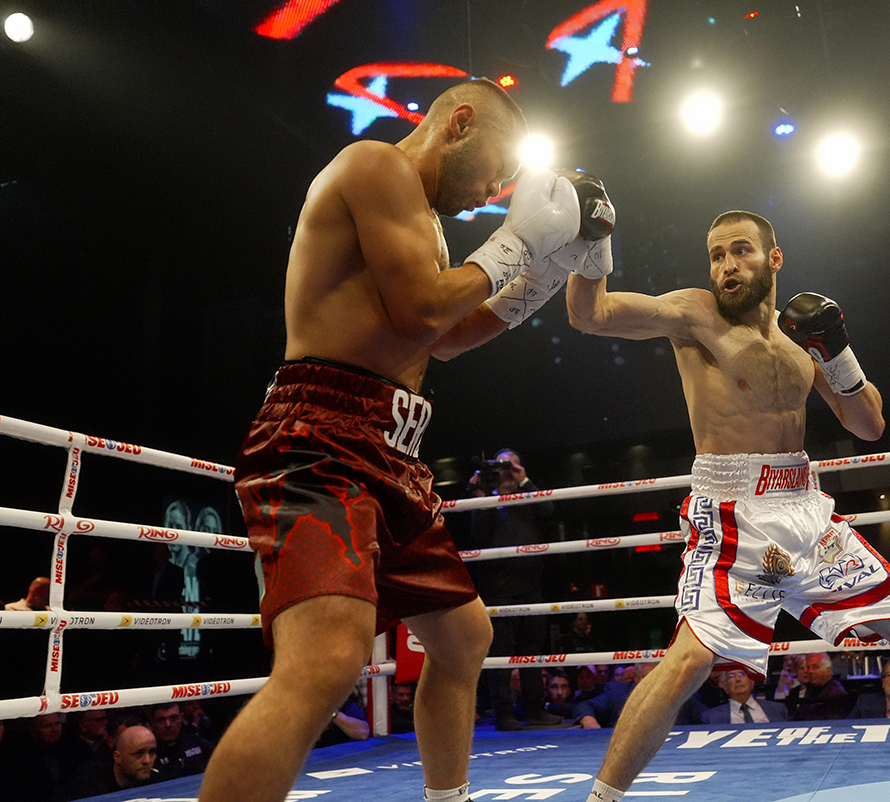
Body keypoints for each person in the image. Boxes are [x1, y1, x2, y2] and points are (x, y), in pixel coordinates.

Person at [200, 77, 597, 802]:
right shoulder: (374, 164)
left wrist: (545, 270)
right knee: (327, 661)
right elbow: (422, 311)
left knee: (463, 639)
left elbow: (445, 338)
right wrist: (519, 241)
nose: (498, 188)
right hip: (320, 438)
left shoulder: (428, 226)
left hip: (393, 451)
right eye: (498, 168)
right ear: (460, 123)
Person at [566, 210, 890, 802]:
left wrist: (836, 349)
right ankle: (601, 799)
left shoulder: (800, 336)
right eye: (717, 255)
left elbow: (869, 425)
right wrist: (593, 240)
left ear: (774, 259)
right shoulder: (696, 314)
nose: (727, 265)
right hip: (734, 511)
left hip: (803, 505)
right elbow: (589, 314)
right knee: (690, 661)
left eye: (740, 250)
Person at [463, 448, 562, 731]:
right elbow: (478, 535)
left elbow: (548, 510)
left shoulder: (526, 498)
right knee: (501, 653)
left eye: (512, 466)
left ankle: (534, 709)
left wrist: (524, 479)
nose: (507, 472)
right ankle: (503, 713)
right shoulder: (489, 502)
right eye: (502, 467)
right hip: (498, 588)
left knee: (531, 648)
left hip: (531, 585)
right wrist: (481, 495)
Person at [576, 662, 706, 729]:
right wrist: (589, 721)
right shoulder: (618, 693)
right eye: (647, 678)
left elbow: (706, 717)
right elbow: (585, 706)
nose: (654, 683)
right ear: (636, 678)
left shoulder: (681, 694)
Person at [65, 724, 158, 799]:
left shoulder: (154, 778)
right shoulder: (88, 784)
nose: (147, 760)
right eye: (138, 753)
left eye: (152, 752)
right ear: (117, 757)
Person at [150, 702, 214, 780]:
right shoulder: (147, 753)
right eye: (161, 720)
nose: (168, 724)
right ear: (153, 722)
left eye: (173, 718)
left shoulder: (197, 742)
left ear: (181, 718)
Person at [700, 668, 789, 724]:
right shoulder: (710, 718)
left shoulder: (777, 709)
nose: (737, 679)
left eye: (742, 674)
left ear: (752, 682)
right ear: (725, 686)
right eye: (731, 676)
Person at [787, 652, 851, 721]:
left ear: (828, 670)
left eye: (815, 667)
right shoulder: (811, 689)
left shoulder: (836, 694)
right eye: (808, 667)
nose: (810, 671)